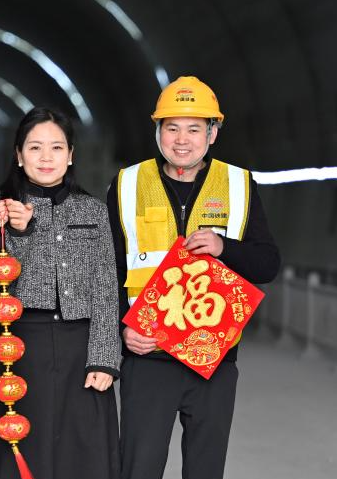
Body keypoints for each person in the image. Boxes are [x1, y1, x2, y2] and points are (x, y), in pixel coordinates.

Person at [107, 76, 281, 479]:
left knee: (206, 470)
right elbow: (107, 269)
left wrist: (225, 248)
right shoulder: (128, 184)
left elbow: (268, 264)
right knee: (138, 468)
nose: (181, 140)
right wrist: (122, 327)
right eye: (171, 128)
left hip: (214, 362)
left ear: (213, 133)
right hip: (148, 358)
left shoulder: (238, 185)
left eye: (193, 129)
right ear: (157, 131)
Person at [0, 107, 122, 479]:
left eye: (56, 147)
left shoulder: (93, 211)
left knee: (80, 456)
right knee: (17, 454)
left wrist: (103, 359)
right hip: (18, 345)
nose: (46, 157)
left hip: (80, 349)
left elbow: (105, 286)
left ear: (71, 155)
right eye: (35, 148)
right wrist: (18, 232)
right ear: (19, 155)